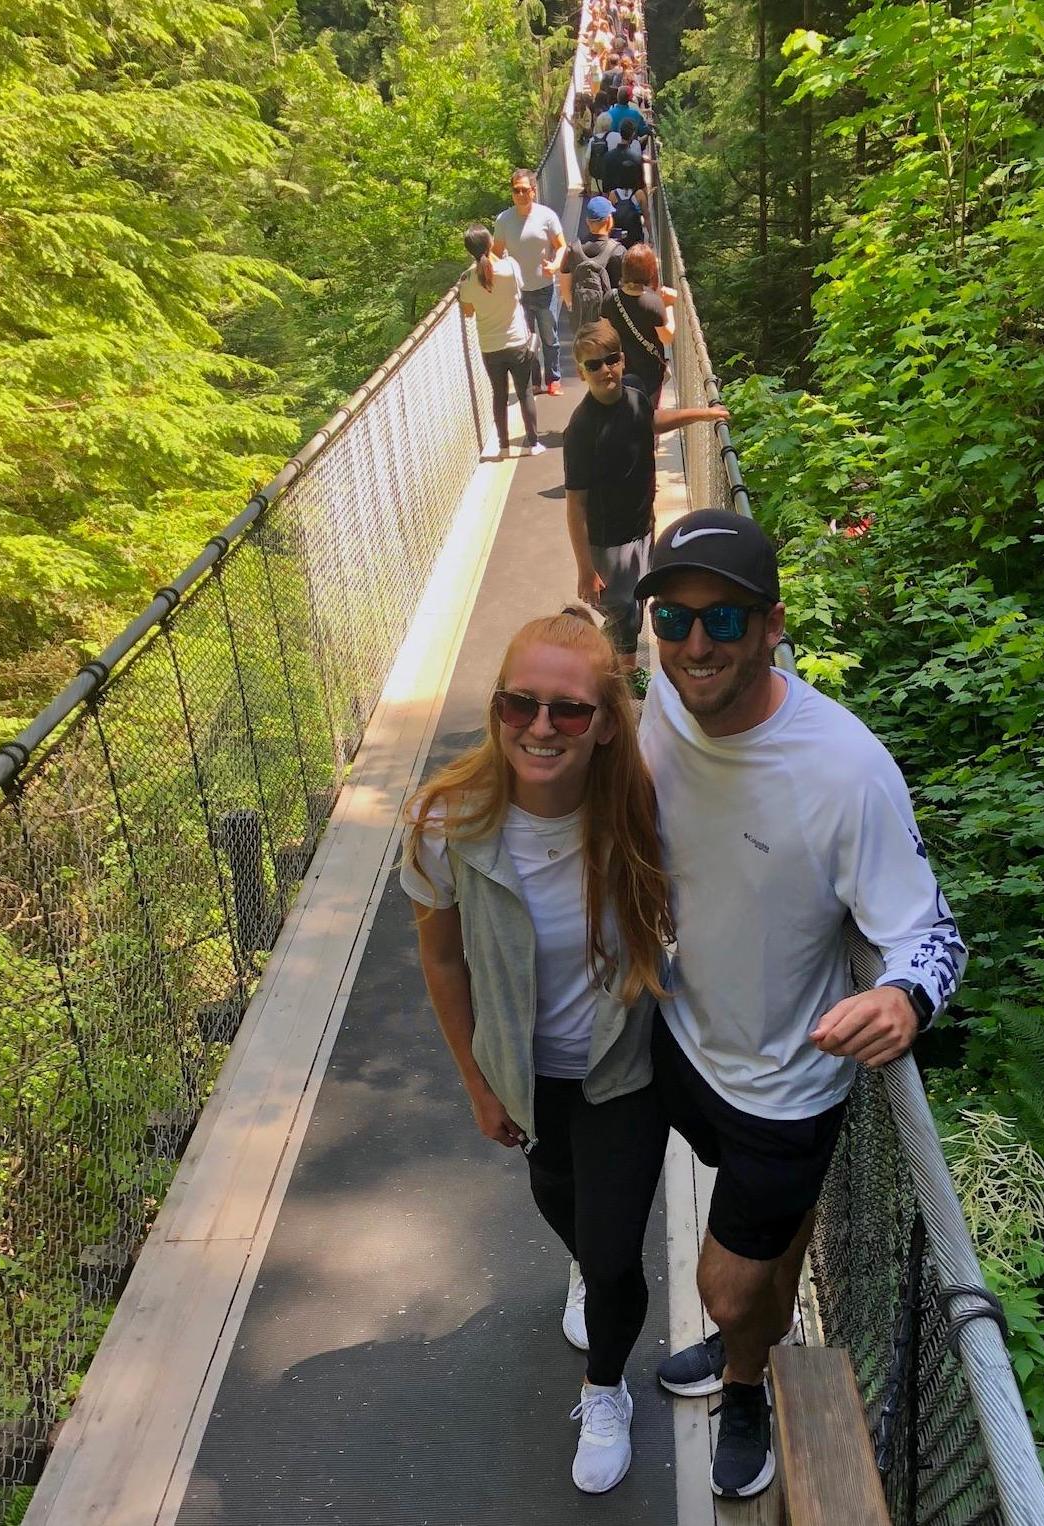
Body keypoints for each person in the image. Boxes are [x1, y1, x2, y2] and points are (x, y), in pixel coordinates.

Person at [633, 509, 968, 1500]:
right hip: (686, 1035)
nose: (695, 644)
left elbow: (932, 932)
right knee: (765, 1256)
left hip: (789, 1080)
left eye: (724, 621)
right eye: (672, 616)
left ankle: (745, 1381)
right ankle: (751, 1349)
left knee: (724, 1282)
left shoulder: (843, 770)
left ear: (772, 624)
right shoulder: (660, 688)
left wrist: (904, 999)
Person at [401, 610, 674, 1495]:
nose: (542, 728)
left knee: (615, 1255)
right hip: (527, 1075)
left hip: (623, 1067)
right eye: (522, 704)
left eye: (568, 710)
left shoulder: (643, 804)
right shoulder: (448, 821)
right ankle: (583, 1266)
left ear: (604, 722)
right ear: (497, 708)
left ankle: (605, 1389)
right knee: (558, 1197)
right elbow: (442, 956)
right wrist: (478, 1083)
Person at [563, 320, 728, 687]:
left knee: (634, 602)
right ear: (582, 372)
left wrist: (704, 414)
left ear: (622, 360)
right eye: (594, 365)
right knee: (623, 614)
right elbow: (575, 505)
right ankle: (621, 682)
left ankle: (599, 662)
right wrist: (585, 568)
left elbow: (651, 422)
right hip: (609, 541)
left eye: (612, 359)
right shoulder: (581, 430)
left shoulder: (634, 392)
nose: (606, 369)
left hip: (642, 525)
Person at [457, 225, 542, 457]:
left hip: (490, 347)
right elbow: (520, 290)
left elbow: (468, 311)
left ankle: (503, 447)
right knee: (525, 393)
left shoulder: (467, 281)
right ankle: (533, 444)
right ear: (490, 243)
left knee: (499, 395)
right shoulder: (510, 267)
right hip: (517, 341)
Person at [494, 168, 565, 396]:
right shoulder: (504, 220)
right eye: (516, 190)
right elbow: (496, 254)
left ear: (533, 191)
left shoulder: (547, 216)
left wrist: (555, 265)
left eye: (525, 190)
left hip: (544, 289)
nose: (520, 194)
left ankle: (553, 379)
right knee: (526, 340)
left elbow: (562, 245)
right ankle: (535, 382)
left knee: (549, 338)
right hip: (518, 291)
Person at [602, 242, 672, 405]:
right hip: (649, 375)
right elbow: (667, 337)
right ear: (650, 271)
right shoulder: (654, 304)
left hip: (620, 371)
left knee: (623, 414)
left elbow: (605, 332)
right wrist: (668, 305)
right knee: (649, 418)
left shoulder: (610, 298)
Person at [559, 198, 625, 330]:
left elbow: (564, 284)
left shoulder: (573, 249)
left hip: (582, 322)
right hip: (609, 324)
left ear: (587, 222)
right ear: (609, 220)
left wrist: (573, 308)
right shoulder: (618, 251)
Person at [601, 118, 645, 198]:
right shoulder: (636, 159)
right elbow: (641, 186)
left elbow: (605, 187)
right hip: (631, 205)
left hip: (613, 202)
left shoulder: (608, 157)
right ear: (633, 134)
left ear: (620, 132)